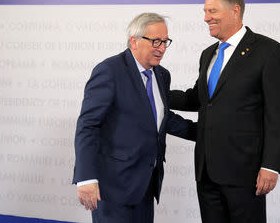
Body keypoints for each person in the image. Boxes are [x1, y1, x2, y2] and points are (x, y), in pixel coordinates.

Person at [169, 0, 280, 223]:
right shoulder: (208, 54)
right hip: (206, 171)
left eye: (212, 11)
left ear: (235, 11)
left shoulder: (268, 51)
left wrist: (271, 165)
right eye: (205, 11)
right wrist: (155, 89)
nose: (206, 18)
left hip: (245, 172)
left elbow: (278, 115)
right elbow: (199, 99)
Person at [73, 13, 196, 223]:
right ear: (134, 41)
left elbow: (161, 118)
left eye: (165, 42)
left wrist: (208, 133)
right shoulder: (109, 71)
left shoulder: (161, 75)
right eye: (155, 41)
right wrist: (85, 177)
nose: (162, 48)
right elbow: (88, 126)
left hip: (146, 183)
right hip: (113, 185)